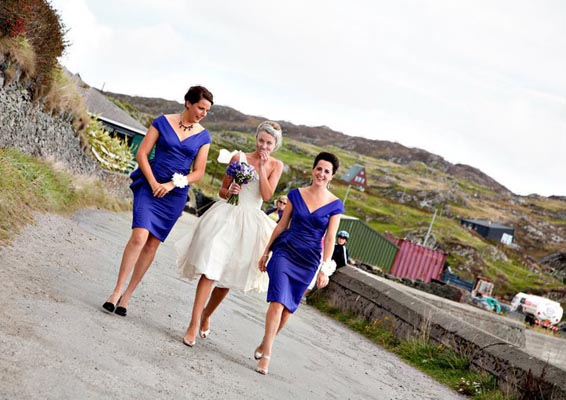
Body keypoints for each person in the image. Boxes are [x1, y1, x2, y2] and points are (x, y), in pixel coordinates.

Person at [102, 86, 213, 317]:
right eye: (201, 108)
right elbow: (142, 153)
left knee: (152, 243)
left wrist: (173, 184)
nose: (203, 113)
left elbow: (199, 172)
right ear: (188, 103)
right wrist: (153, 183)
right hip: (149, 185)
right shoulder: (162, 122)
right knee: (139, 236)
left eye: (207, 110)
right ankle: (115, 291)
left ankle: (128, 296)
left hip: (174, 195)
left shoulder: (204, 137)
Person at [176, 121, 284, 347]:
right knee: (209, 269)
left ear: (275, 145)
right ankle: (193, 323)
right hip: (227, 216)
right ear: (256, 138)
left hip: (250, 223)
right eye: (261, 140)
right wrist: (231, 190)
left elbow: (265, 195)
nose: (263, 146)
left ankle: (207, 314)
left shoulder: (276, 165)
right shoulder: (239, 158)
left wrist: (262, 168)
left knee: (228, 277)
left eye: (269, 143)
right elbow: (222, 190)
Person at [255, 152, 344, 375]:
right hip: (286, 251)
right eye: (319, 169)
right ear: (312, 170)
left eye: (327, 171)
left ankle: (266, 341)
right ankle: (267, 355)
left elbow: (331, 238)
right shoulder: (296, 194)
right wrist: (266, 252)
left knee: (288, 309)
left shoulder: (335, 205)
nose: (321, 174)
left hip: (309, 260)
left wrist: (325, 269)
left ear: (331, 176)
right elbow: (282, 224)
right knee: (277, 302)